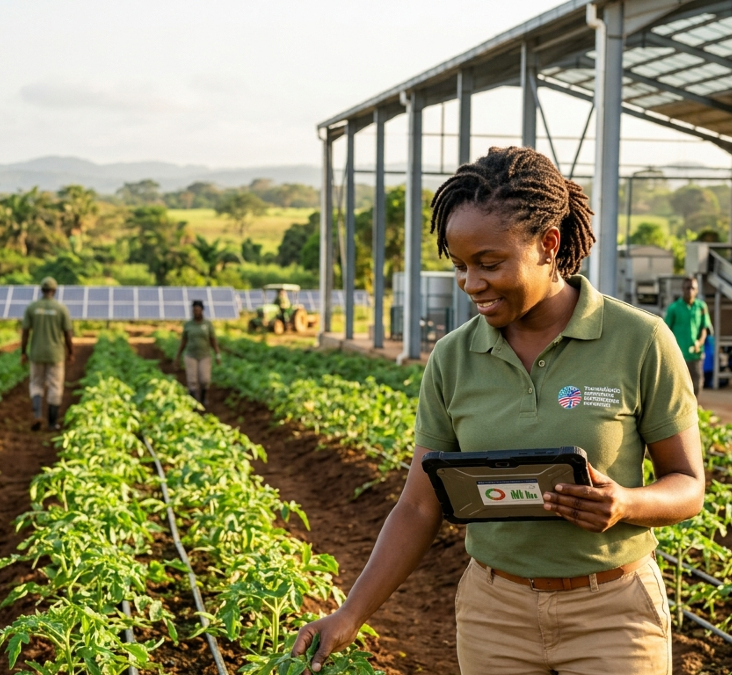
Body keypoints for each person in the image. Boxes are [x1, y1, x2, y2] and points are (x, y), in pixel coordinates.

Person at [292, 147, 705, 674]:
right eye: (461, 266)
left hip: (613, 611)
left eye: (489, 264)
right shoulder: (453, 357)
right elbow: (419, 506)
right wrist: (350, 615)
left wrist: (625, 503)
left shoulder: (640, 340)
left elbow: (687, 484)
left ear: (548, 244)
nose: (472, 284)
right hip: (495, 613)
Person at [20, 277, 74, 431]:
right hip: (55, 355)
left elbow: (25, 332)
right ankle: (52, 423)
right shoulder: (61, 309)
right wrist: (71, 352)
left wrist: (23, 352)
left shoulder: (32, 308)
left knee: (36, 384)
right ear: (54, 291)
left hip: (36, 353)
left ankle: (37, 415)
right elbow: (68, 334)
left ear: (42, 290)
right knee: (55, 387)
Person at [664, 277, 713, 397]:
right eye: (687, 288)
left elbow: (704, 328)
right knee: (678, 386)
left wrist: (699, 342)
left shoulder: (701, 307)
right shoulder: (674, 308)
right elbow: (665, 331)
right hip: (678, 355)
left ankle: (693, 410)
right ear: (682, 289)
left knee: (696, 384)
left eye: (693, 288)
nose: (690, 291)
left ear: (696, 290)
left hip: (695, 355)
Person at [174, 300, 221, 405]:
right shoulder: (188, 325)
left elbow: (213, 340)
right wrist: (178, 356)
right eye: (194, 310)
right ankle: (193, 401)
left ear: (202, 311)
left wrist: (218, 354)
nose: (196, 312)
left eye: (198, 310)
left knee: (205, 379)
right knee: (192, 380)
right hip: (190, 356)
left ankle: (203, 397)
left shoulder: (207, 324)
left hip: (205, 356)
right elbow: (184, 341)